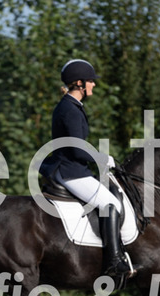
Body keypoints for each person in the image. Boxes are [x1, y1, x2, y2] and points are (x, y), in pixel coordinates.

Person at [40, 59, 132, 282]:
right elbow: (77, 149)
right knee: (110, 204)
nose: (94, 84)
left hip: (71, 167)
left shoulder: (70, 106)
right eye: (91, 81)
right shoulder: (70, 110)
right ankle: (114, 260)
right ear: (79, 83)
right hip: (71, 171)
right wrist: (104, 159)